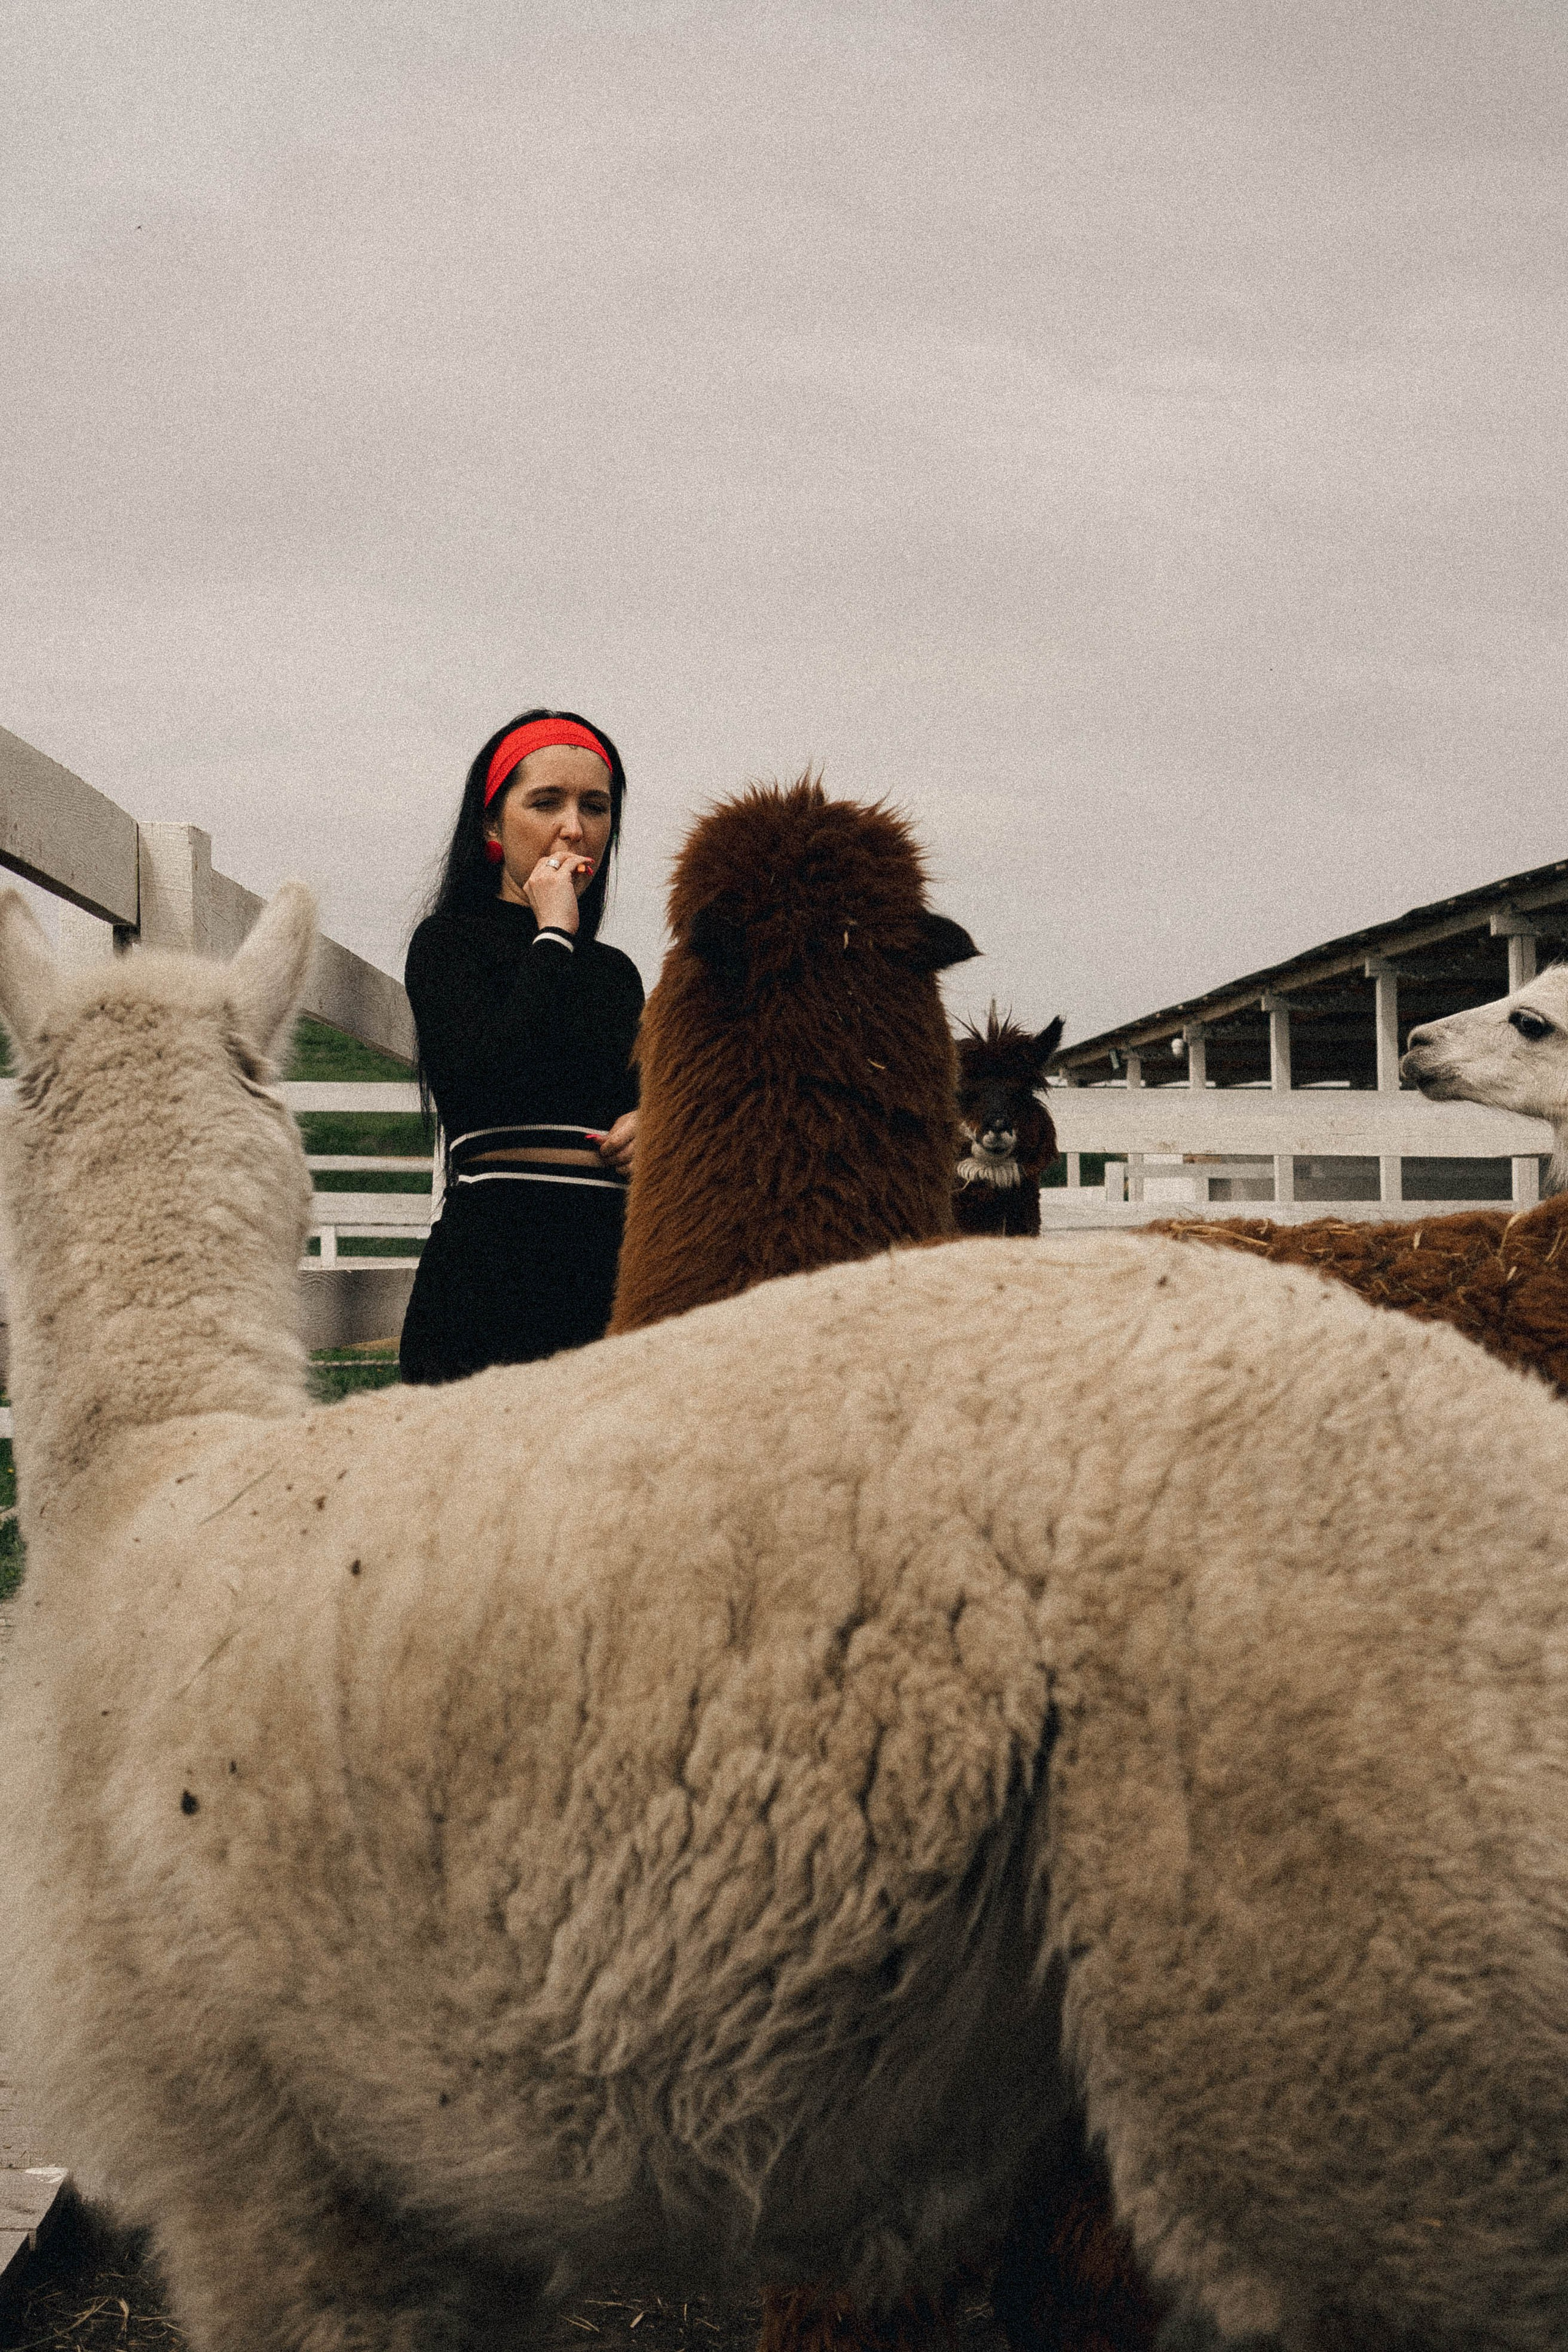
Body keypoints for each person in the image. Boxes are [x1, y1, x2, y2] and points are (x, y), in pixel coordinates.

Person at [399, 709, 644, 1384]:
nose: (574, 826)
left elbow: (642, 1105)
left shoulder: (617, 974)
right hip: (490, 1277)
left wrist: (657, 1127)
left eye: (595, 806)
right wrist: (554, 933)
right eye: (546, 802)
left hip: (608, 1277)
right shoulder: (449, 943)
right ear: (491, 827)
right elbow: (485, 1079)